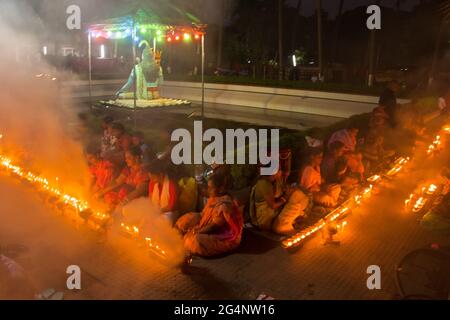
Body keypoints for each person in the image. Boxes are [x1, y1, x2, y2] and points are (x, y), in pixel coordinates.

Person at [175, 173, 244, 257]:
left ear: (221, 189)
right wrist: (190, 221)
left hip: (221, 234)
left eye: (211, 188)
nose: (208, 190)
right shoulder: (213, 198)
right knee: (184, 220)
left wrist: (195, 232)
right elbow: (203, 214)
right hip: (206, 227)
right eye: (208, 187)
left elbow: (213, 227)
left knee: (195, 241)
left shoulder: (225, 205)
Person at [249, 169, 310, 235]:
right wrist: (286, 196)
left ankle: (293, 220)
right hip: (266, 221)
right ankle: (283, 226)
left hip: (273, 215)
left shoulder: (275, 182)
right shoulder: (264, 183)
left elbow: (282, 192)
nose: (281, 172)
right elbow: (273, 205)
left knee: (299, 194)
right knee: (297, 195)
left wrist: (288, 191)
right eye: (279, 170)